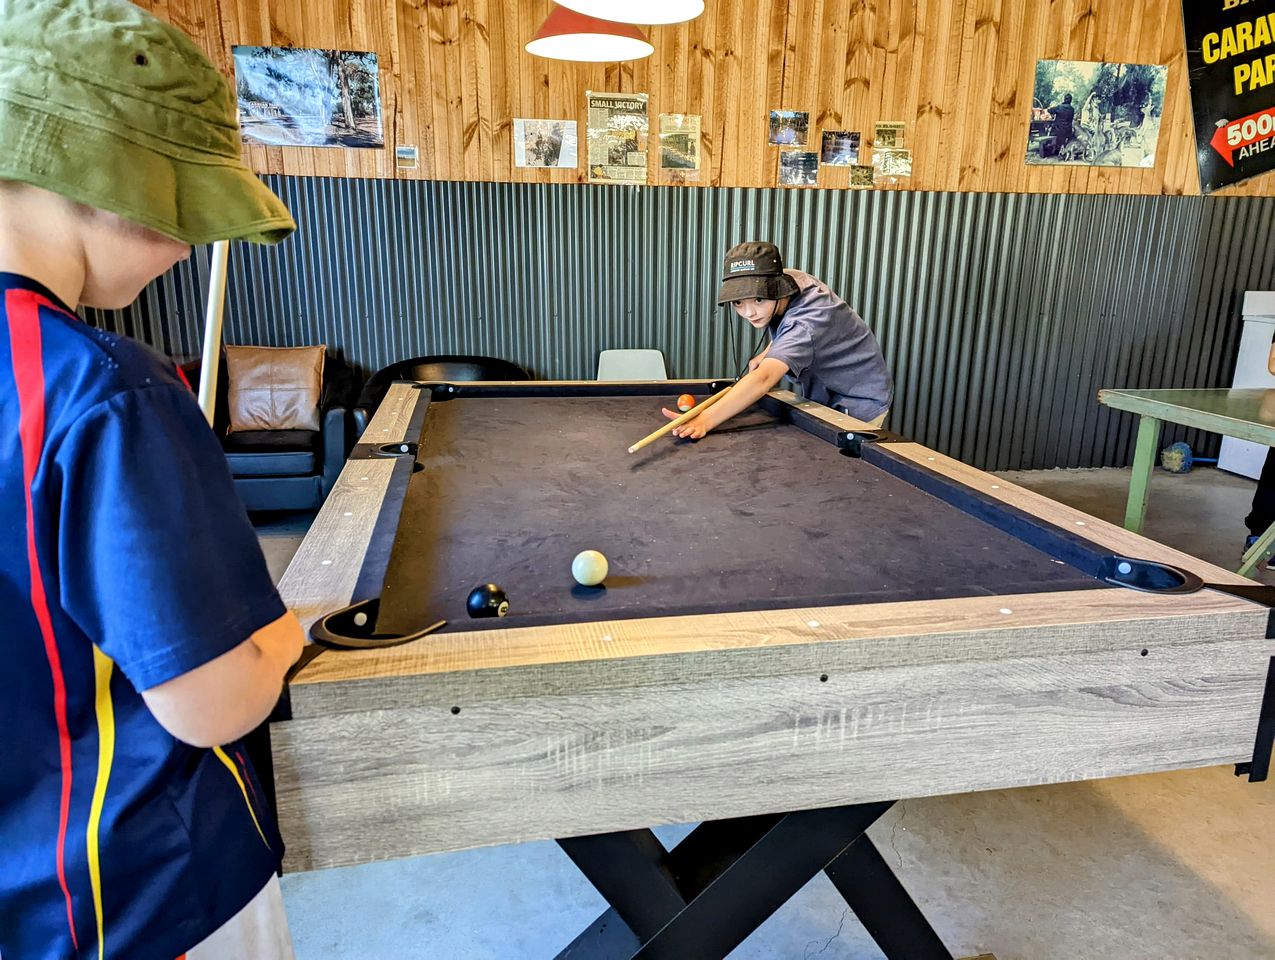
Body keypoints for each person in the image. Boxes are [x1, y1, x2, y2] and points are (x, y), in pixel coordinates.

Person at [0, 2, 305, 959]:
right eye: (181, 208)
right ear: (90, 175)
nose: (186, 246)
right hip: (128, 892)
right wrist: (287, 631)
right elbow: (212, 701)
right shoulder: (107, 387)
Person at [665, 241, 892, 440]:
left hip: (858, 399)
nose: (749, 312)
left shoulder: (805, 324)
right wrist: (768, 352)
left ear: (778, 288)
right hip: (823, 388)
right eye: (738, 303)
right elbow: (792, 330)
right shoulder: (793, 279)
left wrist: (704, 419)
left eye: (759, 299)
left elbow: (764, 379)